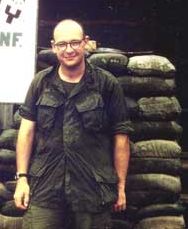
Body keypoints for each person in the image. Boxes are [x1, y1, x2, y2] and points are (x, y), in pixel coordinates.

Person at [14, 19, 132, 229]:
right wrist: (22, 178)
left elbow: (121, 137)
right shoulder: (41, 83)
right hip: (46, 186)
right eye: (62, 44)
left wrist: (121, 185)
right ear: (53, 46)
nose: (69, 50)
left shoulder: (106, 84)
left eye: (75, 43)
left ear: (86, 43)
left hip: (93, 189)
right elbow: (26, 131)